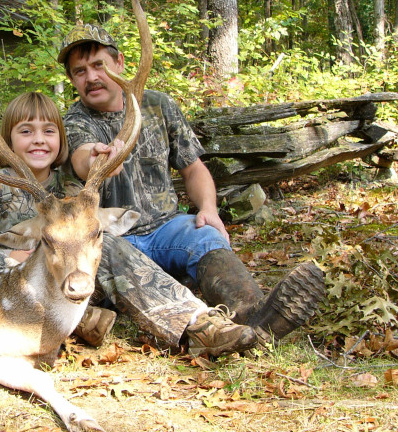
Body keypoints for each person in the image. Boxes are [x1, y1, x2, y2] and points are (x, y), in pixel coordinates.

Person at [57, 23, 326, 345]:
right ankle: (209, 333)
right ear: (72, 80)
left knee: (203, 235)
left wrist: (209, 209)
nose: (90, 78)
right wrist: (99, 160)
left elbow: (193, 169)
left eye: (98, 65)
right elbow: (82, 157)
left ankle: (253, 313)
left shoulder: (158, 105)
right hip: (115, 241)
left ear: (120, 63)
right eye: (79, 72)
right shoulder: (75, 120)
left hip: (166, 230)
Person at [0, 92, 259, 356]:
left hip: (76, 283)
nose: (38, 140)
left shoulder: (73, 190)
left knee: (109, 241)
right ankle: (78, 321)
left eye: (49, 131)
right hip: (15, 291)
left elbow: (86, 172)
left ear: (61, 140)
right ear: (6, 140)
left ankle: (199, 324)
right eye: (25, 131)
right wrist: (13, 261)